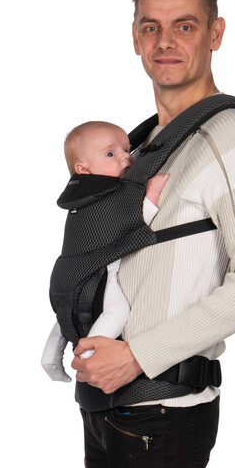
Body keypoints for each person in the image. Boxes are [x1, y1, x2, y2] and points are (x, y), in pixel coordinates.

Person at [71, 0, 235, 468]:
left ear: (215, 34)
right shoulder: (142, 146)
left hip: (163, 414)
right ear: (135, 38)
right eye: (151, 27)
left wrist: (136, 356)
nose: (165, 42)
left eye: (185, 26)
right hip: (111, 409)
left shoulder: (231, 136)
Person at [42, 121, 168, 381]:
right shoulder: (111, 196)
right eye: (110, 153)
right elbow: (134, 222)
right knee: (117, 311)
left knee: (67, 314)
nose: (125, 157)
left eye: (126, 149)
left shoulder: (80, 198)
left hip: (65, 276)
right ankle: (90, 354)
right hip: (97, 273)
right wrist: (153, 191)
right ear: (83, 169)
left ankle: (49, 359)